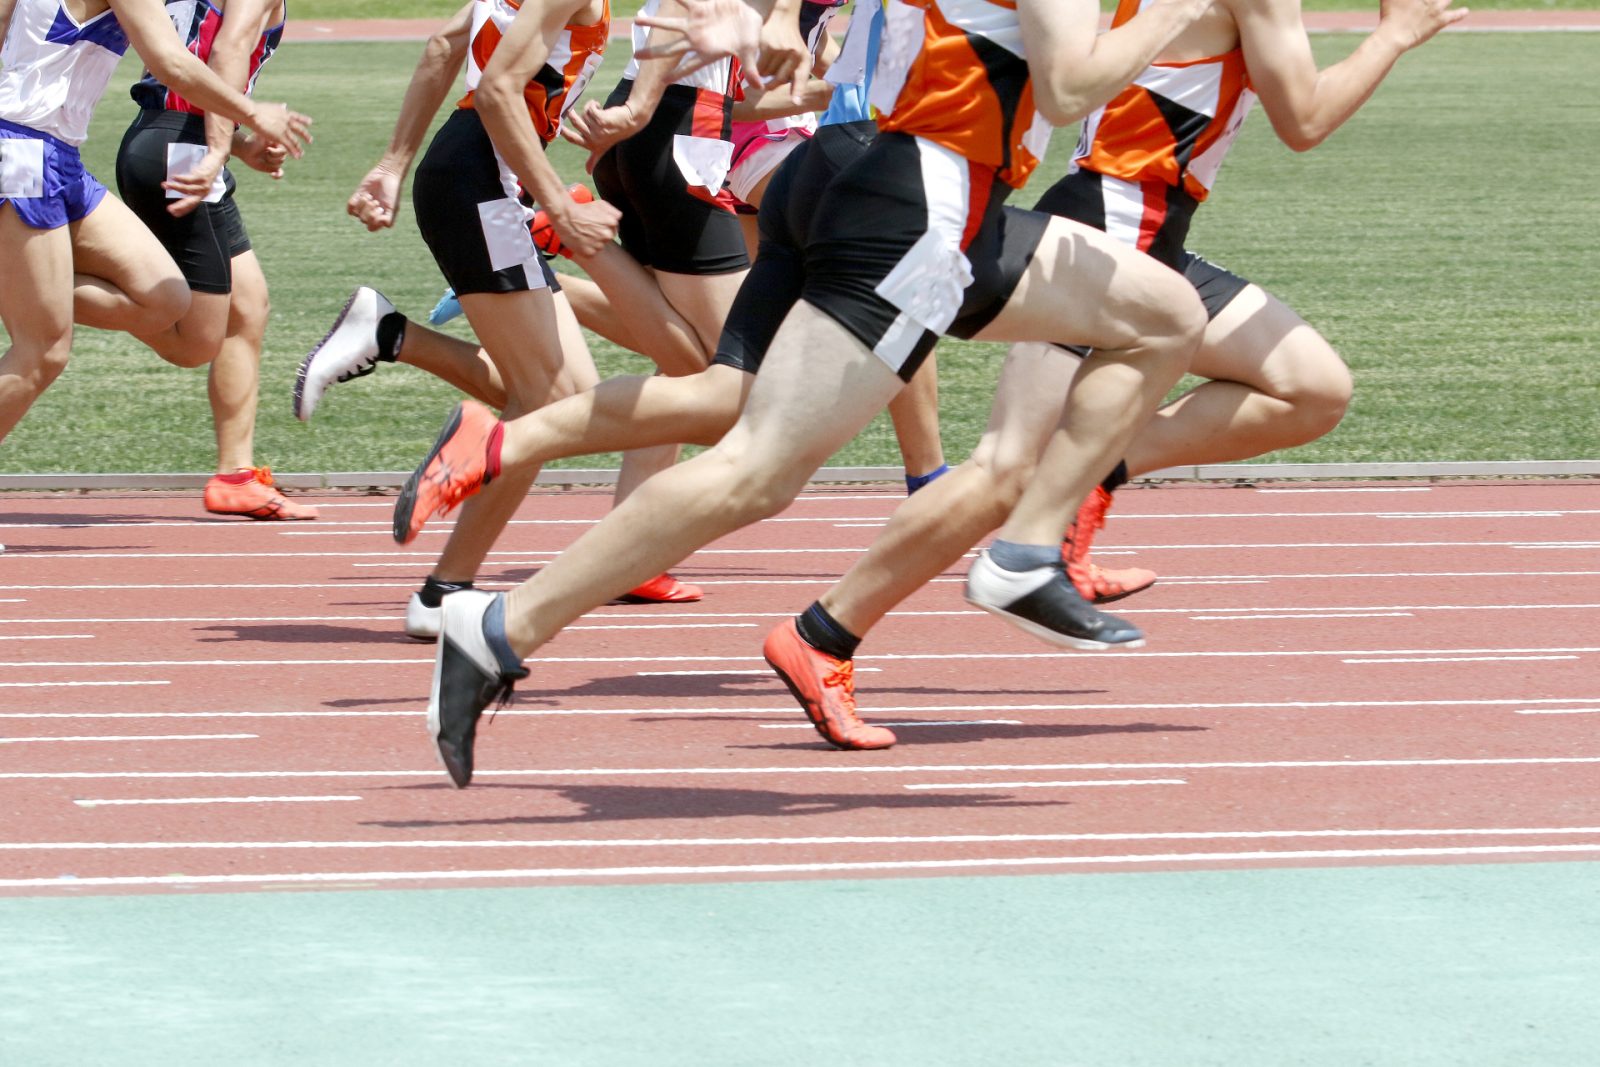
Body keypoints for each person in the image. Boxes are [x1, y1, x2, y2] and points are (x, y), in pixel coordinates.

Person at [396, 0, 1222, 786]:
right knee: (758, 469)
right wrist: (1173, 15)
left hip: (889, 178)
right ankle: (501, 625)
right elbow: (1069, 86)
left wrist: (765, 26)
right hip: (921, 206)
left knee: (1163, 312)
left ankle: (1027, 549)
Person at [750, 0, 1468, 747]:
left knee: (1312, 388)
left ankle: (1088, 474)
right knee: (1003, 470)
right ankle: (826, 633)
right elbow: (1305, 120)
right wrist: (1395, 36)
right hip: (1111, 224)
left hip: (1156, 229)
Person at [385, 0, 944, 554]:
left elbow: (448, 46)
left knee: (695, 373)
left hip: (678, 133)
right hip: (684, 136)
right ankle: (927, 478)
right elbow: (500, 85)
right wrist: (632, 118)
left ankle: (606, 548)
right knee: (733, 387)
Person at [0, 0, 308, 450]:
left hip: (58, 155)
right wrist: (252, 112)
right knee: (43, 351)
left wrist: (234, 144)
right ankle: (22, 291)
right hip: (24, 151)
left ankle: (18, 288)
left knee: (164, 297)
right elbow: (170, 62)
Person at [114, 0, 315, 520]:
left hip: (168, 136)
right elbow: (226, 50)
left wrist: (237, 146)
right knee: (195, 341)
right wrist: (217, 152)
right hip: (181, 148)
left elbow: (184, 63)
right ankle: (43, 294)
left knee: (248, 308)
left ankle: (235, 475)